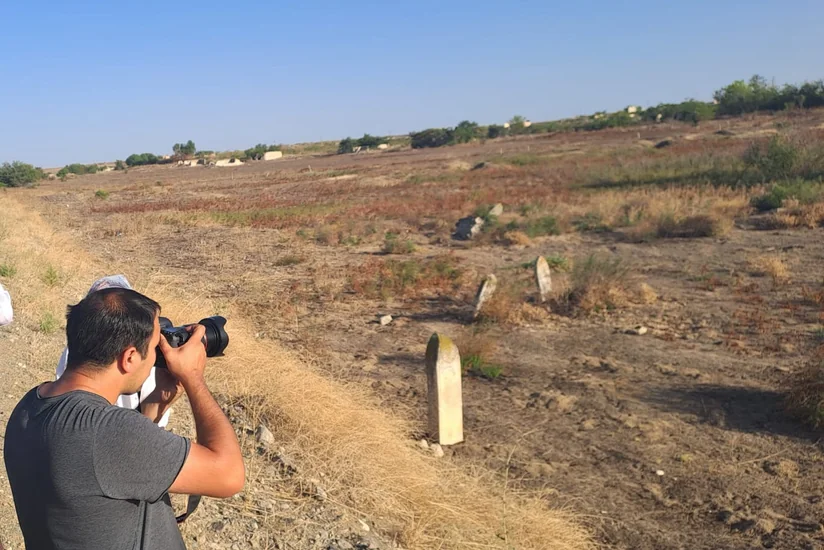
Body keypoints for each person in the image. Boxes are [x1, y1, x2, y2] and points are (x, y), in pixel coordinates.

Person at [3, 287, 245, 549]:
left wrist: (155, 406)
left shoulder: (31, 405)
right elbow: (228, 475)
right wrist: (193, 377)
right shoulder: (107, 433)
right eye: (154, 347)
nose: (157, 356)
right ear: (129, 357)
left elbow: (105, 474)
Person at [55, 275, 173, 427]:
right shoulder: (141, 355)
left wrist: (156, 403)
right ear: (130, 357)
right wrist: (193, 378)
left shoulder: (37, 400)